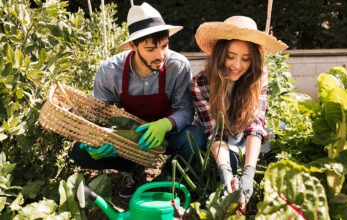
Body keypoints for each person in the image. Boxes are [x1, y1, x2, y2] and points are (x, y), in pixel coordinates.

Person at [70, 2, 205, 198]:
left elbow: (185, 109)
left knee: (194, 139)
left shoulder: (178, 65)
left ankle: (169, 172)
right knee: (81, 153)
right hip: (131, 139)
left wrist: (164, 124)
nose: (160, 55)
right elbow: (99, 115)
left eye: (164, 46)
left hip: (167, 135)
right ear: (133, 46)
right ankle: (130, 168)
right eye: (150, 49)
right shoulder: (109, 71)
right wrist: (98, 140)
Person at [191, 16, 288, 208]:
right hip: (217, 140)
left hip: (244, 134)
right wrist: (225, 170)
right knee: (230, 163)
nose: (237, 65)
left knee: (280, 133)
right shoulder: (201, 83)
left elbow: (255, 125)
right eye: (230, 56)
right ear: (220, 54)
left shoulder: (258, 78)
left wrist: (249, 171)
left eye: (246, 59)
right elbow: (215, 132)